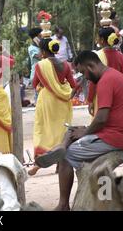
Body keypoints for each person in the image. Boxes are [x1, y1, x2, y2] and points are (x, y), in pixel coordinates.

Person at [35, 50, 123, 211]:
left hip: (114, 138)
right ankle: (63, 144)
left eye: (83, 72)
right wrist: (85, 130)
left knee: (66, 156)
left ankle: (62, 205)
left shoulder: (106, 81)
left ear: (91, 65)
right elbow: (103, 118)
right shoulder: (112, 76)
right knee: (72, 131)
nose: (85, 77)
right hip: (113, 133)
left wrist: (86, 131)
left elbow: (102, 118)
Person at [28, 38, 77, 176]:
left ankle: (38, 165)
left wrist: (42, 86)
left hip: (47, 101)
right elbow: (73, 85)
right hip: (63, 103)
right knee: (61, 131)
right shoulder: (66, 64)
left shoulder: (40, 65)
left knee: (43, 130)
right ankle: (60, 164)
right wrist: (67, 95)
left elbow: (34, 84)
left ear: (43, 51)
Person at [87, 27, 123, 116]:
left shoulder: (96, 56)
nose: (97, 40)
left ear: (101, 40)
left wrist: (90, 100)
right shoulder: (120, 56)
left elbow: (93, 81)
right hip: (117, 95)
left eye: (98, 38)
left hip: (102, 97)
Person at [28, 27, 43, 106]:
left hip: (43, 72)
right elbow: (40, 57)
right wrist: (40, 45)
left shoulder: (40, 47)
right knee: (39, 95)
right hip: (36, 74)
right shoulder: (31, 48)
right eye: (40, 35)